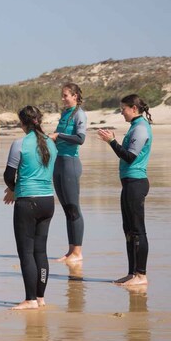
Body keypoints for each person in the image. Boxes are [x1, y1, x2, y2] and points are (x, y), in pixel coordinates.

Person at [3, 105, 57, 310]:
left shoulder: (20, 144)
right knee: (40, 252)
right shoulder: (52, 145)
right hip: (48, 201)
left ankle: (30, 299)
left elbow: (9, 176)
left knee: (26, 252)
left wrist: (14, 189)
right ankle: (40, 298)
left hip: (27, 202)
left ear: (22, 123)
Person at [97, 94, 153, 287]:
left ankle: (141, 275)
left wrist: (112, 142)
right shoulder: (135, 127)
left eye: (123, 109)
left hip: (136, 182)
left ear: (134, 109)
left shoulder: (141, 128)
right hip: (129, 183)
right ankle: (132, 273)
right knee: (128, 230)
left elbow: (129, 157)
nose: (121, 112)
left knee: (138, 230)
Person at [48, 83, 88, 263]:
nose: (63, 98)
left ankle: (78, 252)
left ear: (75, 96)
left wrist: (58, 136)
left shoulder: (79, 114)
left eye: (65, 95)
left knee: (74, 208)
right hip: (58, 163)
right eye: (62, 95)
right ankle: (71, 250)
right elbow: (58, 138)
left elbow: (80, 139)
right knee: (66, 210)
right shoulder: (64, 114)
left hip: (70, 164)